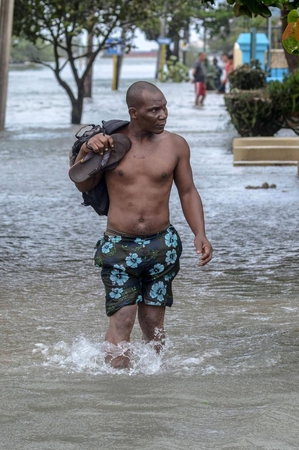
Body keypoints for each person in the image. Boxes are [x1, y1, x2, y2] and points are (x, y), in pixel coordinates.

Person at [69, 81, 213, 369]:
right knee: (123, 317)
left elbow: (187, 191)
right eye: (155, 110)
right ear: (134, 113)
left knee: (153, 323)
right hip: (119, 246)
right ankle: (117, 390)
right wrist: (86, 149)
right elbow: (82, 182)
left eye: (165, 107)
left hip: (163, 246)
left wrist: (200, 233)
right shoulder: (111, 144)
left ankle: (150, 389)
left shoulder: (176, 145)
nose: (163, 115)